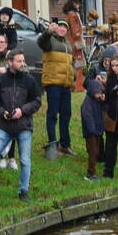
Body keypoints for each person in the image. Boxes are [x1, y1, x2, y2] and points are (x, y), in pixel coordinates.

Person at [0, 49, 41, 200]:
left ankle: (23, 191)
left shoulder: (30, 80)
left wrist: (22, 110)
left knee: (25, 160)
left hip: (24, 126)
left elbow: (37, 102)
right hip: (4, 126)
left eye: (23, 60)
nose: (23, 63)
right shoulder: (0, 80)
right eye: (19, 61)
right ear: (10, 62)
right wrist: (2, 112)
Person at [38, 20, 76, 156]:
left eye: (65, 27)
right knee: (52, 114)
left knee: (66, 114)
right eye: (60, 26)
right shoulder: (50, 41)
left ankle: (65, 144)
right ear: (56, 28)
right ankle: (53, 144)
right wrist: (48, 32)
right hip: (53, 83)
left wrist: (74, 77)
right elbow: (41, 42)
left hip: (65, 84)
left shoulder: (68, 45)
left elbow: (71, 64)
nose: (62, 29)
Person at [80, 67, 106, 181]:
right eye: (99, 93)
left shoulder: (98, 101)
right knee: (93, 152)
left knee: (96, 151)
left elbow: (104, 109)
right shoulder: (87, 104)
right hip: (91, 133)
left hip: (98, 131)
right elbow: (88, 118)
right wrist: (93, 130)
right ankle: (90, 174)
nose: (100, 94)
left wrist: (103, 100)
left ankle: (96, 165)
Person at [63, 0, 86, 92]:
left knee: (71, 65)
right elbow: (75, 30)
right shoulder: (74, 15)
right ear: (73, 5)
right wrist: (79, 42)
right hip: (75, 44)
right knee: (79, 65)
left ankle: (71, 86)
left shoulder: (68, 15)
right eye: (77, 4)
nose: (78, 6)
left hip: (69, 43)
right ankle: (79, 86)